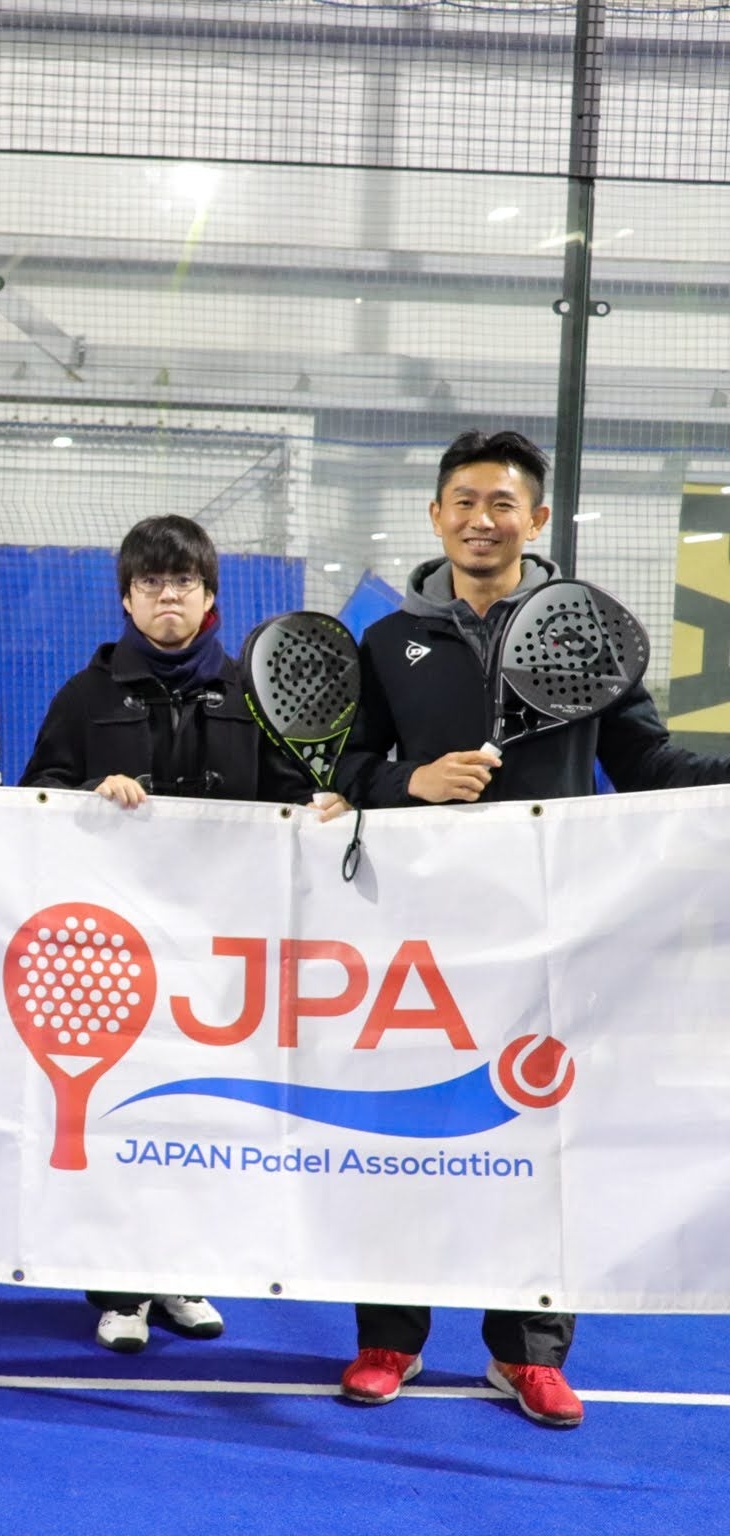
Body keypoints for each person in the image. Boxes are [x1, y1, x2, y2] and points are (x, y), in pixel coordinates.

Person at [332, 427, 730, 1429]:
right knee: (399, 1135)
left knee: (545, 1141)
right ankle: (389, 1339)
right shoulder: (385, 643)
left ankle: (527, 1352)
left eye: (502, 503)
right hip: (416, 945)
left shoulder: (582, 632)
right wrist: (410, 783)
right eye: (464, 502)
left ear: (536, 518)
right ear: (435, 516)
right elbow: (345, 771)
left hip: (553, 934)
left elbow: (646, 764)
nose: (482, 520)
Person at [19, 512, 334, 1355]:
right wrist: (90, 794)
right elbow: (36, 795)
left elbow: (290, 799)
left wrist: (318, 809)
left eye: (183, 582)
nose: (168, 597)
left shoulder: (252, 692)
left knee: (199, 1116)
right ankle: (120, 1291)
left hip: (221, 954)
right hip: (113, 961)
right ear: (127, 598)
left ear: (208, 597)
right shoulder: (85, 695)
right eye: (151, 583)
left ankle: (182, 1276)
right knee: (123, 1119)